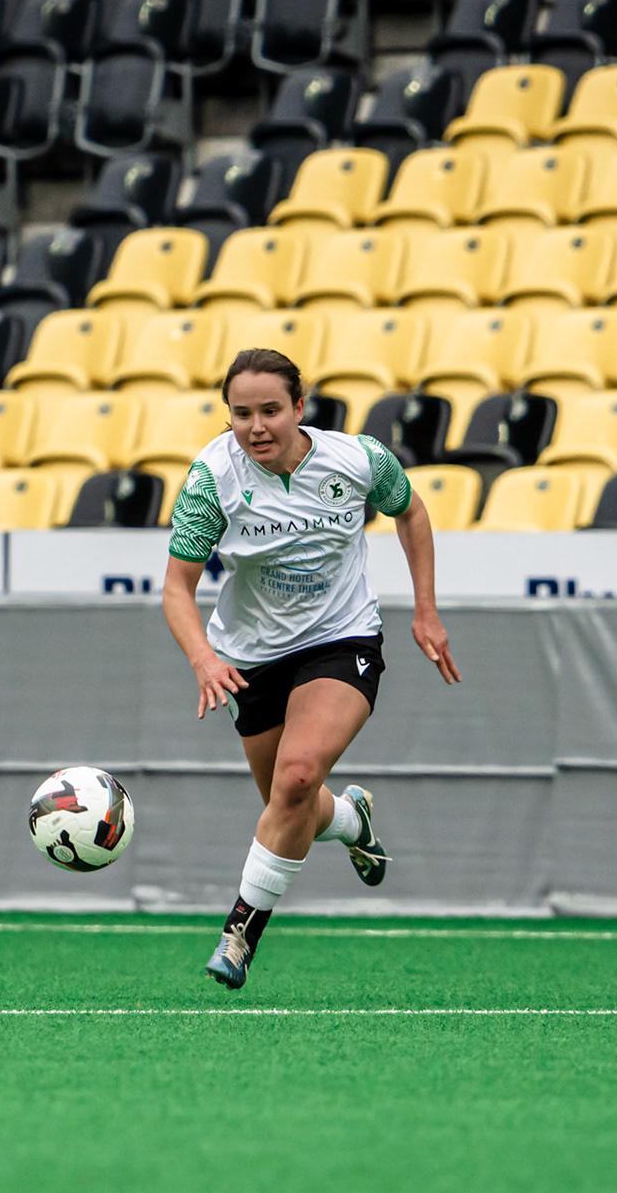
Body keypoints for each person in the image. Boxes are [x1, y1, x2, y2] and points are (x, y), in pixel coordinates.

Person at [161, 348, 462, 990]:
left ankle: (241, 932)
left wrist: (426, 611)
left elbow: (409, 511)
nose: (256, 426)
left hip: (341, 638)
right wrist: (203, 659)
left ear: (301, 406)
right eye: (240, 414)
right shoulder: (213, 476)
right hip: (249, 660)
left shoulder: (358, 460)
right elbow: (176, 589)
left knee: (298, 777)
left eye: (271, 410)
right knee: (289, 802)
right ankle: (352, 820)